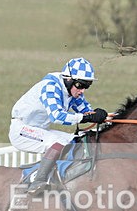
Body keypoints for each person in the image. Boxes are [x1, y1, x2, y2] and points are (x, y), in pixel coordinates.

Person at [9, 57, 108, 195]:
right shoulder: (50, 86)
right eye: (80, 85)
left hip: (39, 129)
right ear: (68, 79)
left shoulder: (73, 90)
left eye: (87, 85)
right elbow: (57, 116)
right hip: (21, 130)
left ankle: (62, 176)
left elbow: (86, 112)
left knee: (76, 140)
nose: (83, 90)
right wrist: (86, 117)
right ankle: (38, 182)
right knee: (58, 142)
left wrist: (105, 116)